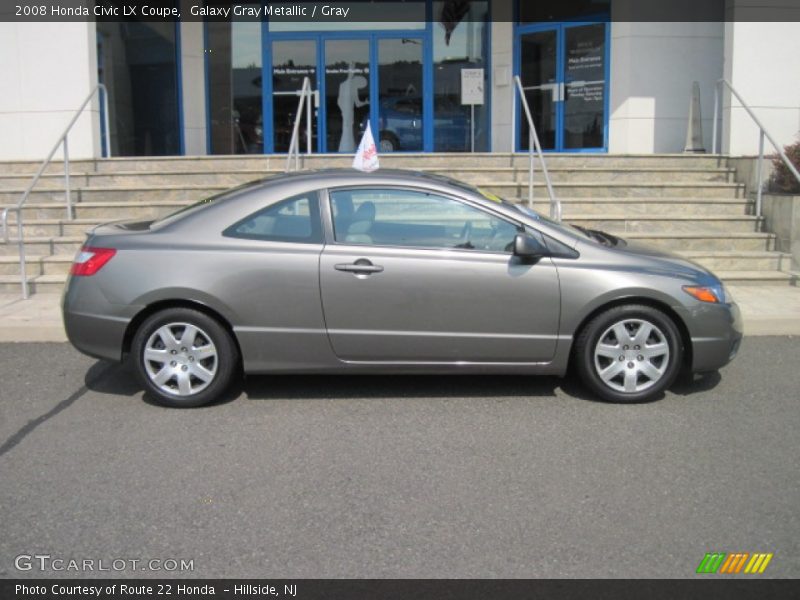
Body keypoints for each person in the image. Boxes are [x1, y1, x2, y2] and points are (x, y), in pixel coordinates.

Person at [337, 64, 369, 152]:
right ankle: (344, 150)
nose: (351, 72)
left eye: (353, 70)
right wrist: (343, 111)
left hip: (350, 112)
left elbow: (357, 103)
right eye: (350, 70)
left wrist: (365, 102)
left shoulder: (353, 86)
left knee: (349, 130)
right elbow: (339, 100)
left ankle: (349, 149)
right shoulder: (343, 85)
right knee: (346, 129)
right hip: (346, 112)